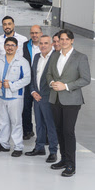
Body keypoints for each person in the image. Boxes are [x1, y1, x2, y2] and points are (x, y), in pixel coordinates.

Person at [45, 29, 91, 177]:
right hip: (55, 98)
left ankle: (71, 164)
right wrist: (52, 83)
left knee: (68, 131)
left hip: (71, 100)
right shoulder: (55, 55)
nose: (63, 42)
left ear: (72, 41)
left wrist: (65, 86)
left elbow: (86, 79)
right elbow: (49, 73)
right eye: (61, 39)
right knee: (59, 130)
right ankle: (64, 159)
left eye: (66, 39)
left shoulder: (80, 57)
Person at [0, 36, 32, 156]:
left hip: (15, 97)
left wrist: (12, 85)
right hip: (1, 95)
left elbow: (27, 78)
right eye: (7, 45)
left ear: (17, 47)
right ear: (4, 46)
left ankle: (18, 147)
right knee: (2, 122)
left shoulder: (22, 61)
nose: (10, 47)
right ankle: (3, 144)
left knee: (16, 122)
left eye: (12, 45)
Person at [26, 34, 58, 163]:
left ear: (51, 45)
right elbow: (33, 76)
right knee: (39, 124)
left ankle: (53, 151)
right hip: (37, 96)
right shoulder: (36, 57)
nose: (43, 46)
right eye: (41, 43)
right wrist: (33, 91)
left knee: (50, 125)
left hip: (49, 97)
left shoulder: (56, 57)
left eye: (46, 43)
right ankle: (39, 147)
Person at [21, 25, 43, 141]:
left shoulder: (45, 45)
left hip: (41, 81)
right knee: (26, 107)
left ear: (41, 33)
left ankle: (44, 133)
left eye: (36, 33)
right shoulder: (25, 45)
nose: (34, 35)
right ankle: (27, 130)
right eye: (32, 33)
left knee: (41, 108)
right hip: (28, 81)